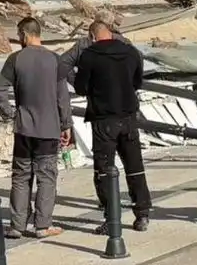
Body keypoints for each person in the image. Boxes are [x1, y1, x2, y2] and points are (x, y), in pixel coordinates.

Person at [0, 17, 72, 239]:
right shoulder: (56, 60)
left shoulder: (15, 59)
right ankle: (42, 226)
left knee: (20, 176)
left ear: (24, 35)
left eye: (19, 36)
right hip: (49, 129)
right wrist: (66, 125)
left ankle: (17, 226)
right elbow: (62, 97)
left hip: (24, 129)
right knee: (46, 176)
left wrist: (11, 114)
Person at [74, 20, 151, 234]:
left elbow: (81, 88)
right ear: (111, 33)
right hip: (127, 118)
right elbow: (137, 82)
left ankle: (112, 217)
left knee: (105, 171)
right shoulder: (131, 52)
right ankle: (142, 213)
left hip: (103, 120)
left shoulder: (89, 56)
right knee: (135, 167)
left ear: (92, 36)